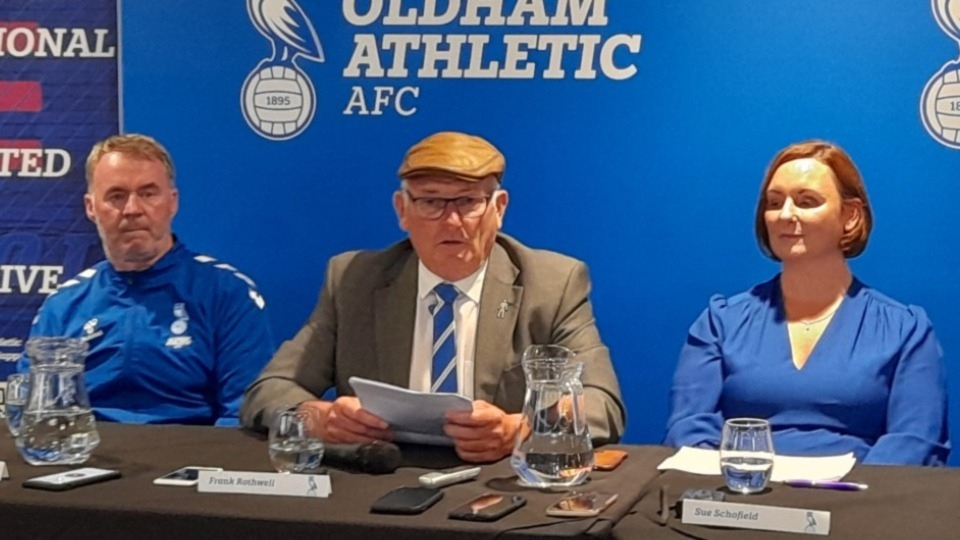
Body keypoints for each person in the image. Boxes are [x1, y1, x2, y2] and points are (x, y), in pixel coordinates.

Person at [241, 131, 625, 462]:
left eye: (469, 202)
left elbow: (601, 404)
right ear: (402, 210)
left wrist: (519, 429)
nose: (452, 221)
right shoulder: (353, 280)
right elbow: (270, 390)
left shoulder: (553, 284)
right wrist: (316, 417)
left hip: (495, 484)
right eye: (431, 202)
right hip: (378, 477)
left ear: (499, 208)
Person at [663, 140, 949, 466]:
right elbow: (688, 426)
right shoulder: (721, 322)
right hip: (742, 501)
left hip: (861, 506)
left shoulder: (905, 330)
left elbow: (915, 442)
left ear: (851, 216)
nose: (785, 215)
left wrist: (848, 496)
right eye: (774, 202)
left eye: (806, 201)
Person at [20, 134, 275, 426]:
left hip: (194, 462)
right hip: (84, 459)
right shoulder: (63, 306)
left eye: (148, 193)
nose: (132, 209)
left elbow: (242, 414)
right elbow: (32, 412)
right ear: (91, 208)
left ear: (172, 202)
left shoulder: (227, 293)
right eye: (116, 196)